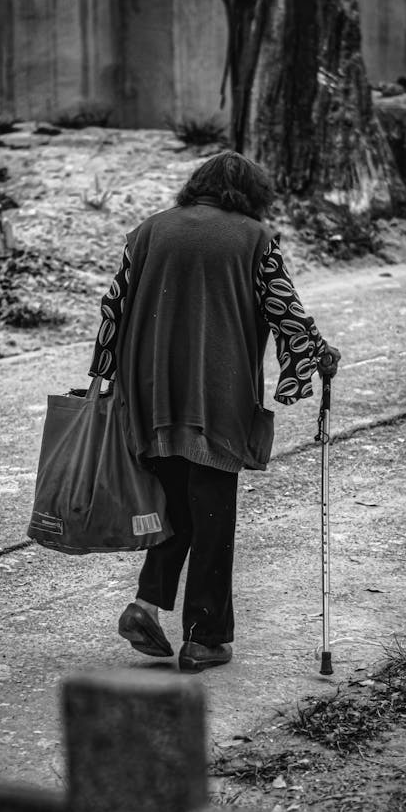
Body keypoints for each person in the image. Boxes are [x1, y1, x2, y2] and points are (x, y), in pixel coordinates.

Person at [88, 150, 339, 673]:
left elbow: (113, 306)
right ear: (251, 195)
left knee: (176, 507)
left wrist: (105, 374)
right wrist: (315, 355)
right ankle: (204, 638)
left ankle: (145, 606)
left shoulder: (148, 232)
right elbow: (284, 309)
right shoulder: (254, 238)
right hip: (215, 397)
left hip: (152, 395)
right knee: (212, 516)